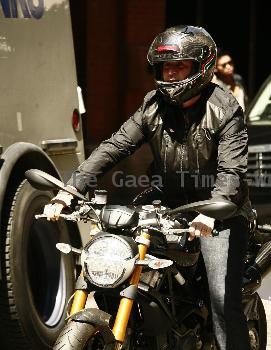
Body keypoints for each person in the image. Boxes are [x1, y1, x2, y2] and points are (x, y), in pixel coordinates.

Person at [44, 25, 252, 350]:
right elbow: (114, 146)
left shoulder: (224, 109)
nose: (170, 74)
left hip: (219, 214)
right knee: (116, 259)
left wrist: (214, 211)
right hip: (165, 205)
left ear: (202, 67)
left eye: (178, 66)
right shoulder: (152, 105)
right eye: (164, 67)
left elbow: (232, 170)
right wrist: (72, 189)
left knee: (222, 299)